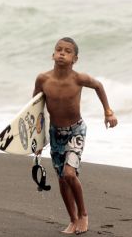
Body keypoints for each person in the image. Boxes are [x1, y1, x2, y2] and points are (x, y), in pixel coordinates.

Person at [33, 37, 118, 234]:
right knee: (62, 179)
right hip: (55, 133)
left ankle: (84, 215)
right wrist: (36, 140)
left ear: (75, 58)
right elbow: (35, 110)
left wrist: (108, 112)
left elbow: (98, 86)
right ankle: (72, 220)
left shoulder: (79, 79)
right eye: (59, 49)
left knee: (70, 174)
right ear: (52, 54)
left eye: (67, 51)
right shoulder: (43, 80)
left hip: (76, 131)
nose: (62, 53)